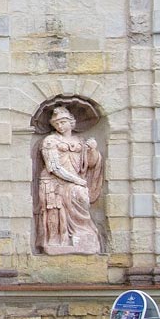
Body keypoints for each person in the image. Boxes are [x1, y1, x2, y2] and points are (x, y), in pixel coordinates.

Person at [35, 105, 104, 254]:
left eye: (63, 122)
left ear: (71, 122)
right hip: (55, 182)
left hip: (75, 180)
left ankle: (82, 235)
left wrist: (93, 149)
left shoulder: (80, 140)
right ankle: (59, 241)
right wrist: (76, 180)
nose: (60, 125)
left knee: (82, 198)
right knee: (67, 202)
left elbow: (90, 164)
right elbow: (53, 167)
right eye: (57, 123)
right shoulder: (50, 141)